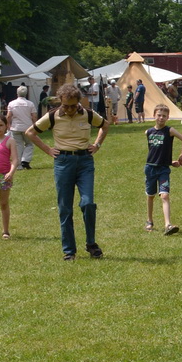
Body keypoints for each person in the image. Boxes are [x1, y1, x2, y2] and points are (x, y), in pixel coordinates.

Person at [24, 82, 110, 259]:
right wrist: (48, 150)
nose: (69, 109)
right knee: (65, 208)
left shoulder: (87, 114)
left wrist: (97, 144)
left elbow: (105, 125)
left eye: (73, 106)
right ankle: (69, 251)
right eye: (65, 106)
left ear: (79, 101)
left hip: (85, 162)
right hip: (63, 162)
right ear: (60, 102)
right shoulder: (53, 116)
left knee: (88, 204)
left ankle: (91, 243)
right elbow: (30, 132)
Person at [143, 103, 182, 235]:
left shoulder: (169, 131)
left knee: (164, 195)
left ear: (168, 117)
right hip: (150, 168)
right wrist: (170, 161)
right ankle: (149, 220)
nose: (161, 118)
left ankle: (168, 224)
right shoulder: (148, 132)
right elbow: (155, 152)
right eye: (159, 115)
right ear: (154, 116)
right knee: (150, 196)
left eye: (164, 116)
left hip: (163, 170)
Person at [6, 85, 37, 168]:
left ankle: (18, 164)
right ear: (26, 93)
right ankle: (25, 160)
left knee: (17, 145)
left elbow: (9, 116)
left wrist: (8, 124)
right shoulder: (30, 104)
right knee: (29, 144)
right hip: (28, 127)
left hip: (15, 127)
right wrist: (35, 125)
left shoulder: (11, 103)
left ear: (17, 93)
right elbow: (33, 116)